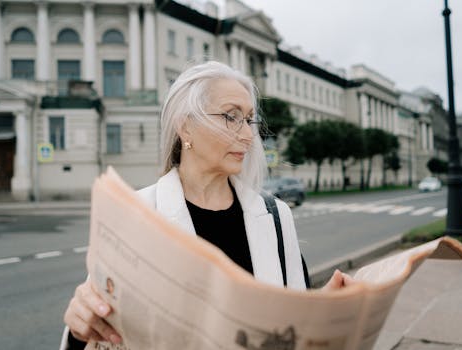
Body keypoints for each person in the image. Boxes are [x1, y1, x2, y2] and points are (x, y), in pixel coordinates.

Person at [61, 61, 352, 349]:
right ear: (186, 128)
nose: (249, 135)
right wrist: (78, 331)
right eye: (231, 116)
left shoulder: (276, 216)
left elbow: (295, 320)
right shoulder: (137, 214)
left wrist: (328, 312)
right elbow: (98, 326)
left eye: (249, 119)